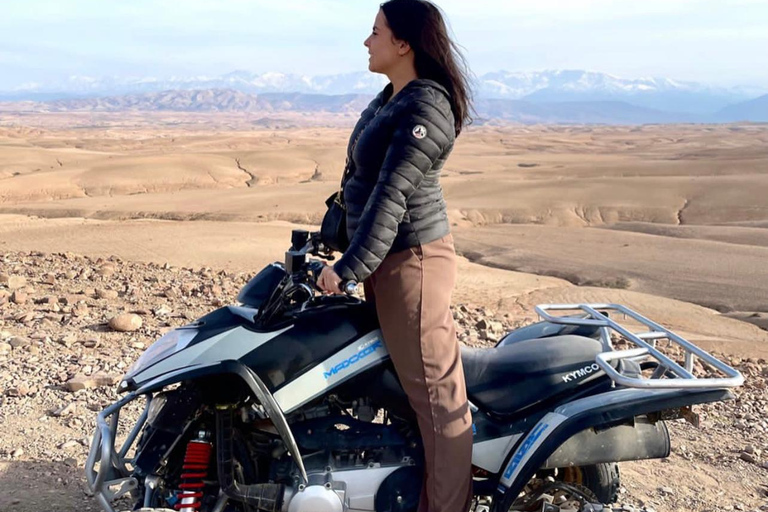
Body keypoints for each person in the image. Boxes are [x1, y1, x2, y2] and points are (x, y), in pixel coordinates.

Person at [317, 1, 474, 510]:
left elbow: (391, 197)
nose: (367, 41)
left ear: (403, 43)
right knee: (402, 395)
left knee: (439, 404)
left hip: (414, 264)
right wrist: (331, 245)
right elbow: (358, 186)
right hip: (385, 260)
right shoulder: (392, 98)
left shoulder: (426, 106)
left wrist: (346, 269)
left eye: (376, 32)